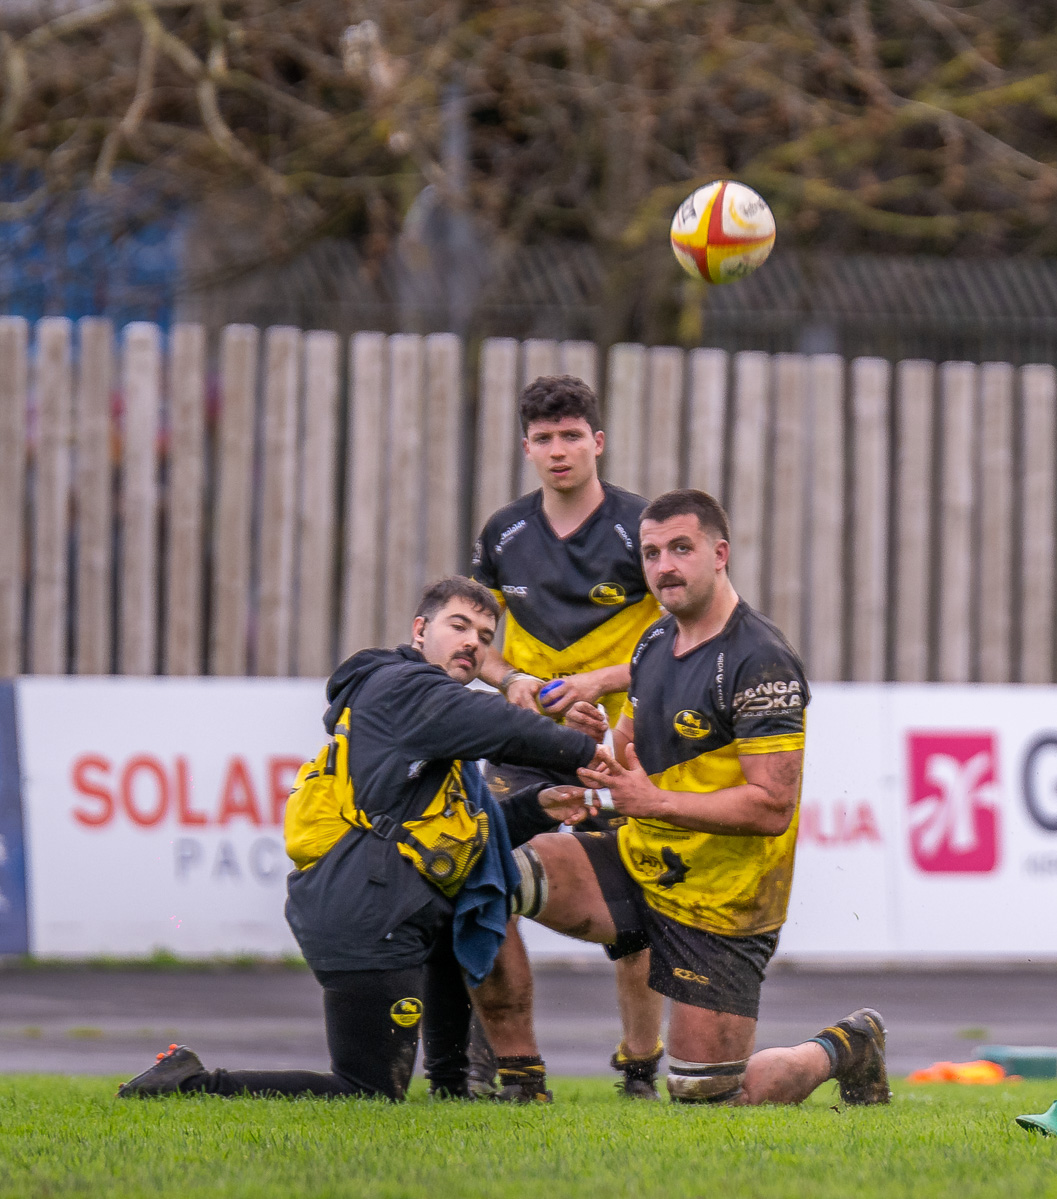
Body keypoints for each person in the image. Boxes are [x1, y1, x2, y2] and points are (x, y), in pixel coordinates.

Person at [117, 578, 611, 1102]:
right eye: (459, 625)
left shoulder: (437, 722)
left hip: (388, 903)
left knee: (459, 920)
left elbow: (470, 835)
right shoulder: (404, 688)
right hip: (365, 911)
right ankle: (188, 1084)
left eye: (485, 636)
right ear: (420, 630)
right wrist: (585, 750)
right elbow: (503, 725)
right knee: (366, 1091)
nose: (472, 642)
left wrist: (538, 807)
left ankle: (452, 1088)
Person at [477, 488, 890, 1106]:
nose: (664, 567)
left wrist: (652, 803)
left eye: (680, 549)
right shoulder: (652, 643)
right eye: (651, 554)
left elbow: (772, 806)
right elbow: (628, 758)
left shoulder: (762, 661)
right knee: (487, 878)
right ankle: (520, 1079)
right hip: (640, 859)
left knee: (709, 1099)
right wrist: (599, 761)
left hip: (723, 905)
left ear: (720, 554)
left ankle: (848, 1044)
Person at [470, 373, 667, 1098]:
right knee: (480, 882)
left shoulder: (641, 529)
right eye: (544, 438)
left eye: (572, 436)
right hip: (524, 743)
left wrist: (597, 683)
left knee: (638, 913)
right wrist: (510, 682)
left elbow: (681, 640)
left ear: (598, 442)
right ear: (526, 447)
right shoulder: (503, 533)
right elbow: (475, 645)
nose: (559, 450)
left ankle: (640, 1066)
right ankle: (503, 1063)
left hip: (620, 747)